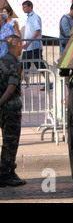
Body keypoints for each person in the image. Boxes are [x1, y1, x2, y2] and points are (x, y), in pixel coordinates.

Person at [0, 35, 26, 187]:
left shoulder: (1, 60)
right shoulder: (15, 63)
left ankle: (10, 171)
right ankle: (4, 175)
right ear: (17, 44)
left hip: (4, 109)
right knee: (10, 142)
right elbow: (11, 88)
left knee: (7, 141)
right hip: (11, 109)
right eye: (21, 44)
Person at [21, 0, 46, 86]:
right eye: (23, 7)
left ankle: (48, 82)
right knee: (23, 66)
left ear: (30, 7)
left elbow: (37, 31)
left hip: (34, 46)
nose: (23, 9)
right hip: (28, 47)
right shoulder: (28, 18)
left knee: (39, 65)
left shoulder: (35, 17)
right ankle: (17, 85)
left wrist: (28, 42)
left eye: (25, 7)